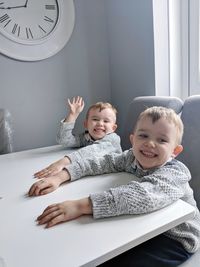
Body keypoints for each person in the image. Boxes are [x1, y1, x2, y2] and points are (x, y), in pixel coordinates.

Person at [31, 106, 200, 267]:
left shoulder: (175, 173)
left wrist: (79, 206)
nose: (150, 143)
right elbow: (102, 162)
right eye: (143, 136)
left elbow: (142, 196)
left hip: (175, 237)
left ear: (175, 151)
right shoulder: (131, 157)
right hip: (142, 227)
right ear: (132, 140)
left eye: (162, 140)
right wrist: (62, 175)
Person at [32, 96, 122, 191]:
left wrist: (63, 162)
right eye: (95, 119)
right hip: (90, 176)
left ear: (113, 128)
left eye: (106, 121)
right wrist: (72, 115)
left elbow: (92, 151)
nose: (100, 123)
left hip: (112, 179)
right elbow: (65, 140)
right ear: (86, 124)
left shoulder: (113, 139)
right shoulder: (86, 137)